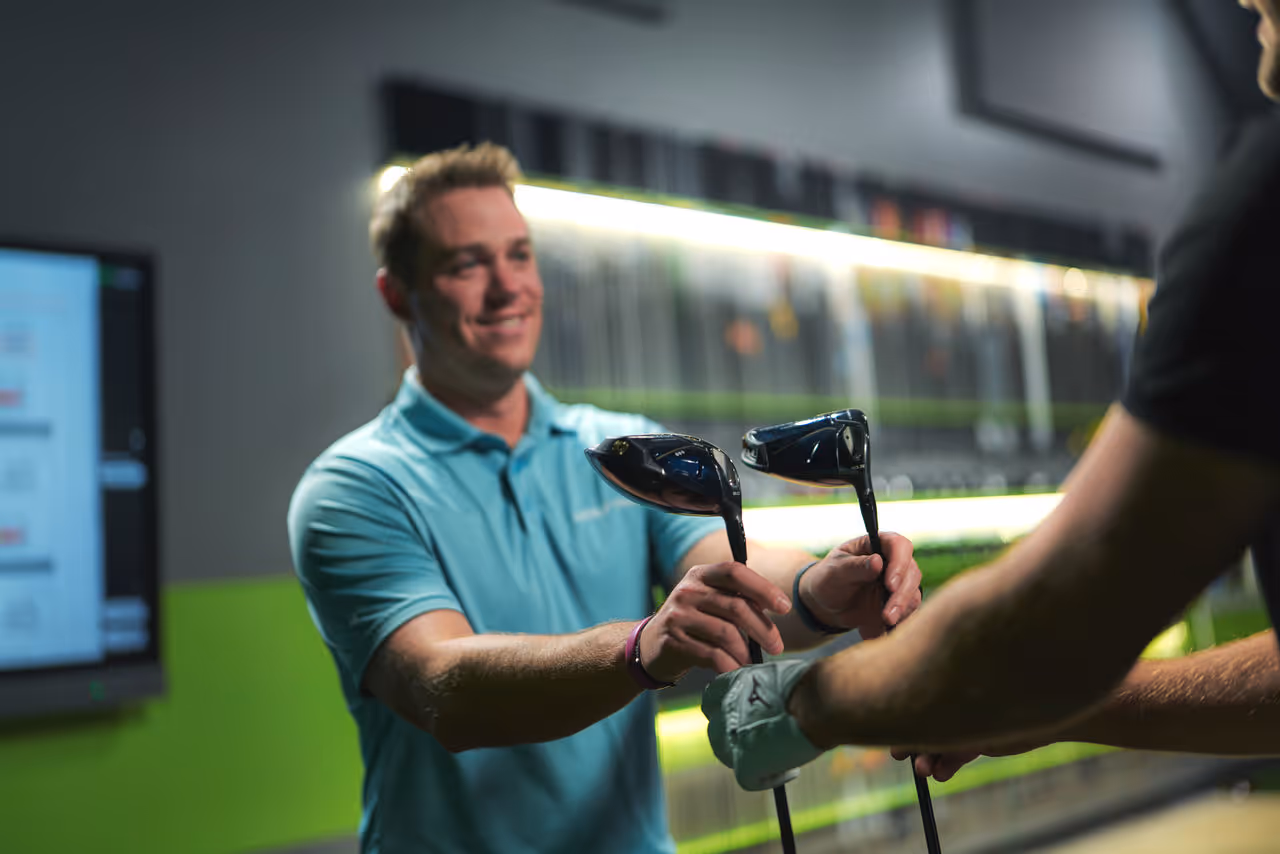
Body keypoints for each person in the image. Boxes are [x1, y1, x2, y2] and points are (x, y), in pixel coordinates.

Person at [701, 0, 1280, 793]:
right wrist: (1031, 703)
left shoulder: (1263, 214)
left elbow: (1066, 608)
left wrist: (805, 699)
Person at [286, 142, 924, 853]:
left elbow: (722, 557)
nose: (507, 287)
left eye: (519, 255)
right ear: (397, 294)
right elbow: (443, 687)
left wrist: (820, 588)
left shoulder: (617, 448)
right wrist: (641, 647)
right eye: (467, 264)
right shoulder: (354, 487)